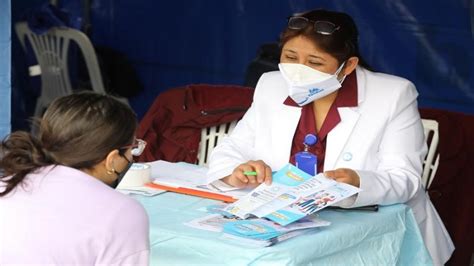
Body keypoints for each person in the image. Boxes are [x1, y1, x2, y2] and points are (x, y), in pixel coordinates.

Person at [206, 9, 454, 265]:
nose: (298, 70)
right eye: (290, 56)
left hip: (373, 234)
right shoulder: (271, 84)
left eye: (315, 62)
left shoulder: (393, 95)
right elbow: (232, 148)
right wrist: (235, 170)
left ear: (349, 65)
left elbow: (405, 178)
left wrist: (359, 182)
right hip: (289, 225)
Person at [0, 92, 149, 265]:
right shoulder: (123, 212)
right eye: (133, 148)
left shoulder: (8, 184)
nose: (132, 157)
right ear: (112, 159)